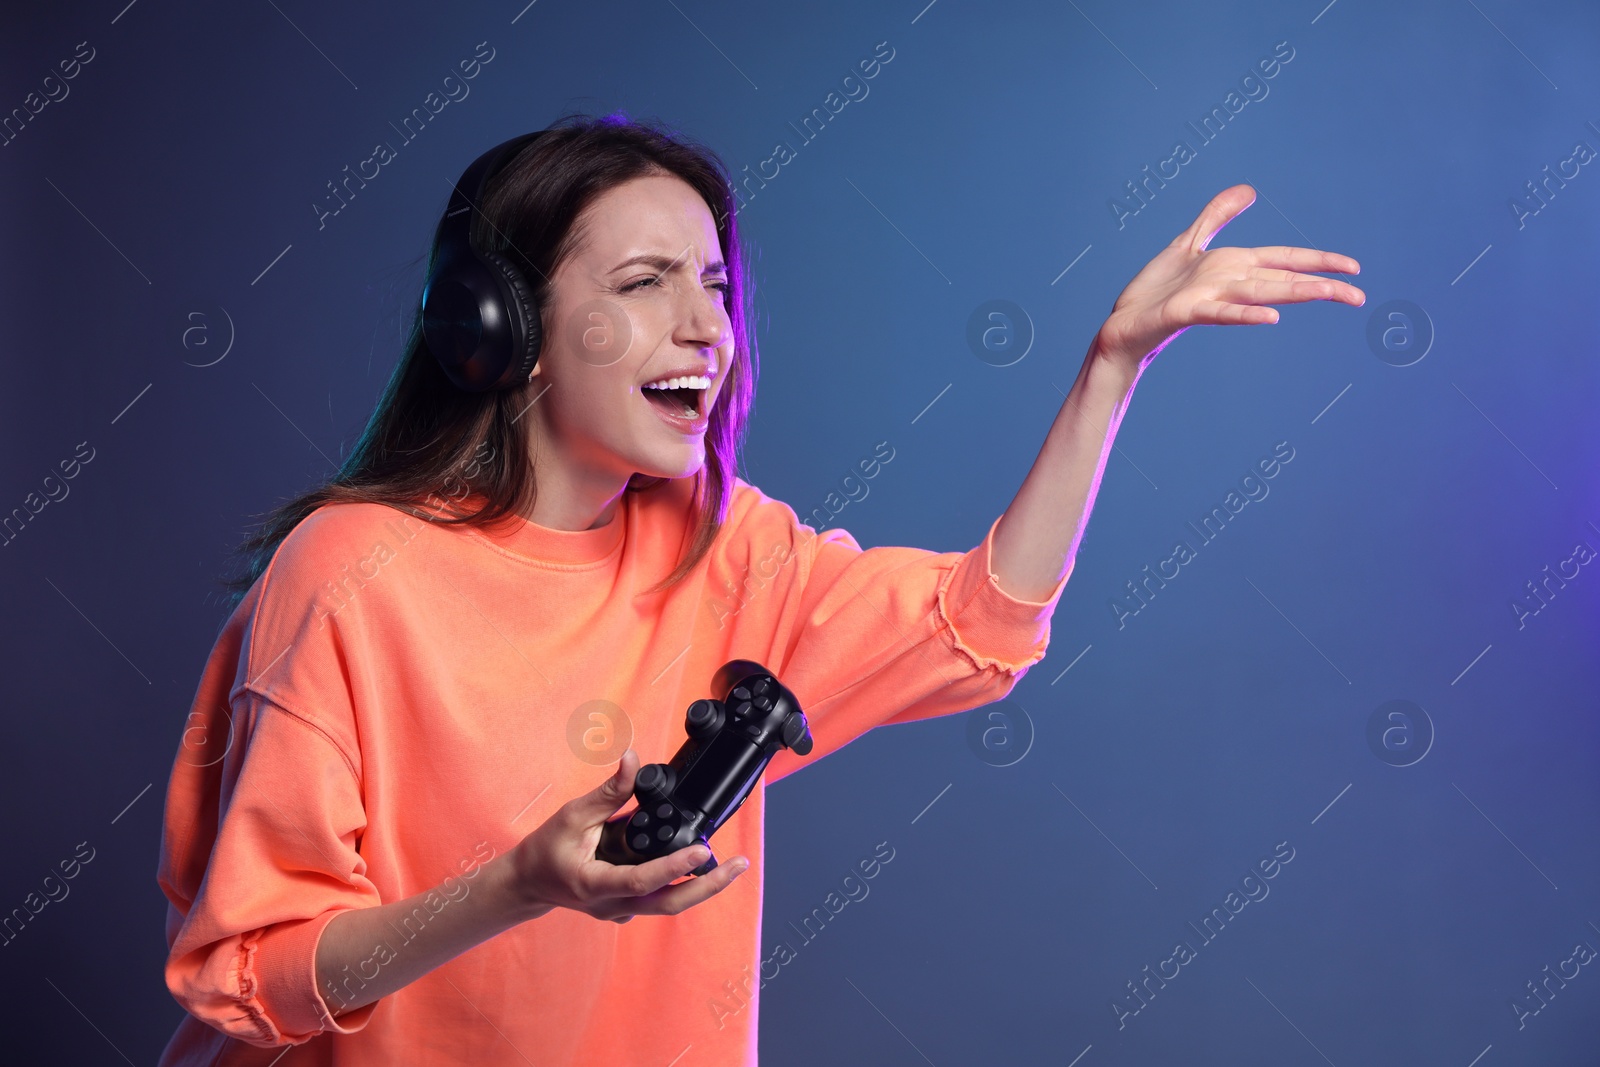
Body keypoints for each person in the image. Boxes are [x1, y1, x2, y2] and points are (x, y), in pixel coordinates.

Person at [154, 112, 1363, 1066]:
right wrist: (518, 884)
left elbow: (979, 625)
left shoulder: (727, 550)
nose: (704, 327)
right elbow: (247, 970)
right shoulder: (350, 572)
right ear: (501, 329)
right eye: (642, 285)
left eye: (716, 285)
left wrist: (1110, 368)